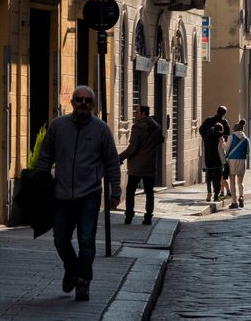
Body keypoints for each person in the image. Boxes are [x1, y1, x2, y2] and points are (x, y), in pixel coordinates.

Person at [35, 86, 121, 302]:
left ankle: (83, 282)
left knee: (87, 240)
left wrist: (116, 191)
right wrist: (40, 180)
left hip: (89, 195)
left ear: (93, 105)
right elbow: (45, 155)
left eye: (88, 101)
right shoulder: (58, 126)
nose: (83, 103)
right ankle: (72, 268)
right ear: (72, 102)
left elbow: (111, 162)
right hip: (61, 194)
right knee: (60, 239)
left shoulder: (102, 130)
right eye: (79, 99)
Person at [118, 105, 164, 225]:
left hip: (136, 166)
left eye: (137, 112)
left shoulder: (137, 128)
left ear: (144, 114)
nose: (135, 114)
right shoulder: (157, 127)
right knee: (149, 192)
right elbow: (161, 140)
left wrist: (120, 157)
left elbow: (132, 148)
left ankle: (129, 215)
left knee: (130, 191)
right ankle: (148, 217)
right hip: (150, 164)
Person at [226, 120, 250, 209]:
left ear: (234, 129)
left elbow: (227, 148)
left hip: (232, 160)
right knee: (240, 181)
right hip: (242, 160)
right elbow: (248, 151)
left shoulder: (231, 137)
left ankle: (234, 202)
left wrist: (222, 144)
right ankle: (241, 196)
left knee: (232, 181)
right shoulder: (246, 138)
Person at [203, 123, 226, 201]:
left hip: (208, 161)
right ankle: (216, 195)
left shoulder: (206, 138)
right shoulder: (220, 138)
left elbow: (204, 151)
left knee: (208, 179)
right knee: (217, 179)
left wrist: (203, 164)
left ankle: (209, 194)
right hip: (218, 161)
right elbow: (222, 149)